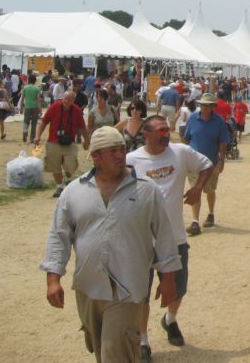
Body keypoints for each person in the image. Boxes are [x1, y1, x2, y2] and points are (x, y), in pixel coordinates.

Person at [40, 126, 181, 363]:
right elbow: (59, 235)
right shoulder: (74, 192)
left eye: (122, 150)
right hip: (88, 288)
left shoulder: (146, 190)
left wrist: (168, 278)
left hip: (128, 289)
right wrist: (53, 279)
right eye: (113, 151)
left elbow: (165, 236)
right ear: (96, 156)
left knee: (116, 354)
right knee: (101, 351)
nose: (120, 155)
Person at [126, 116, 214, 362]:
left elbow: (207, 165)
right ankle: (143, 340)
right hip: (142, 240)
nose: (166, 134)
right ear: (146, 134)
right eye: (160, 131)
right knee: (142, 294)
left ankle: (170, 320)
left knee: (179, 288)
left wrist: (197, 188)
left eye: (167, 129)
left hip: (174, 237)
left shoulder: (181, 152)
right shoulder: (131, 160)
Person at [183, 93, 230, 235]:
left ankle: (210, 213)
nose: (204, 107)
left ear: (212, 107)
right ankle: (195, 221)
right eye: (203, 105)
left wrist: (221, 160)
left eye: (207, 105)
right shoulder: (192, 118)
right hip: (193, 162)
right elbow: (186, 138)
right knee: (195, 189)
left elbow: (223, 142)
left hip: (211, 162)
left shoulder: (219, 121)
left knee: (210, 190)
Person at [34, 91, 89, 197]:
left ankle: (68, 178)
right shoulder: (54, 107)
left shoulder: (76, 111)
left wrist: (86, 141)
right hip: (53, 141)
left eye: (69, 100)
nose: (66, 101)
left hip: (70, 143)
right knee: (55, 166)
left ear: (73, 101)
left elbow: (83, 127)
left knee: (70, 165)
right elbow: (44, 122)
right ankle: (59, 186)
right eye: (65, 99)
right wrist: (37, 136)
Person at [19, 74, 44, 143]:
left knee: (26, 121)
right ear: (35, 80)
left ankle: (25, 131)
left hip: (27, 107)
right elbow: (38, 100)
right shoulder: (37, 89)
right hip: (35, 107)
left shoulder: (25, 88)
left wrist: (21, 108)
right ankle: (32, 138)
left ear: (29, 80)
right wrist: (40, 109)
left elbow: (22, 99)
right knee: (34, 123)